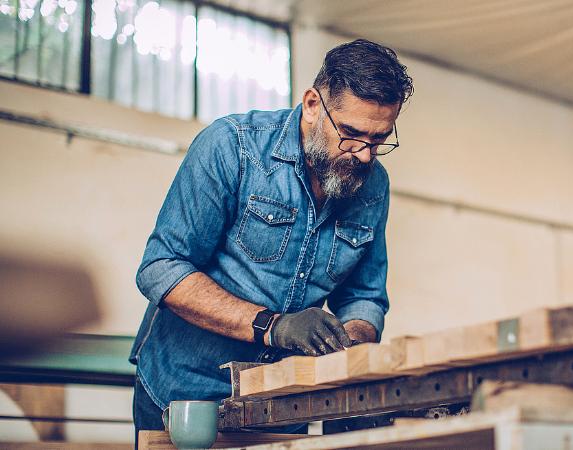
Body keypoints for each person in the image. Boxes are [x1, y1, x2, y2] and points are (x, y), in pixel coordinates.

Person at [129, 38, 414, 438]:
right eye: (351, 134)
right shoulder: (233, 147)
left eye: (379, 140)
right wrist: (272, 325)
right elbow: (161, 269)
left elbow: (363, 297)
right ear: (313, 104)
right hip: (183, 395)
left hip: (282, 405)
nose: (364, 155)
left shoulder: (373, 185)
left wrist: (351, 342)